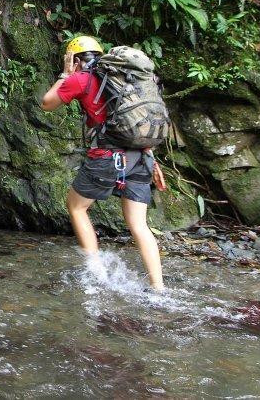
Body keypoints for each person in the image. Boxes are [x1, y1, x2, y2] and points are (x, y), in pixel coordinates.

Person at [39, 35, 168, 291]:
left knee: (76, 207)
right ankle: (158, 287)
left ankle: (96, 274)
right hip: (141, 157)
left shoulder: (80, 79)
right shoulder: (126, 82)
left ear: (75, 59)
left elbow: (46, 103)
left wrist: (65, 74)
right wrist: (152, 158)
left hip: (107, 158)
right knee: (139, 225)